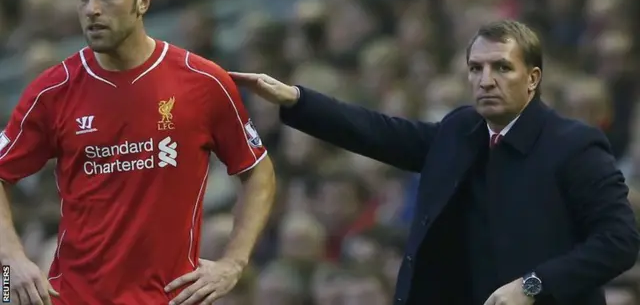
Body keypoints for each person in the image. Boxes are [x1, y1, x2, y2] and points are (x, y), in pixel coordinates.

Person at [230, 19, 640, 305]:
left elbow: (620, 242)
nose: (486, 80)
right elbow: (378, 132)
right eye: (475, 68)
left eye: (502, 68)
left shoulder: (574, 145)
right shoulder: (460, 130)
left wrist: (535, 285)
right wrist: (299, 101)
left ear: (532, 78)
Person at [0, 0, 276, 304]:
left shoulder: (203, 81)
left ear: (143, 0)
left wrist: (233, 263)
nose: (91, 9)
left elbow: (258, 171)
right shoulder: (53, 90)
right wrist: (10, 261)